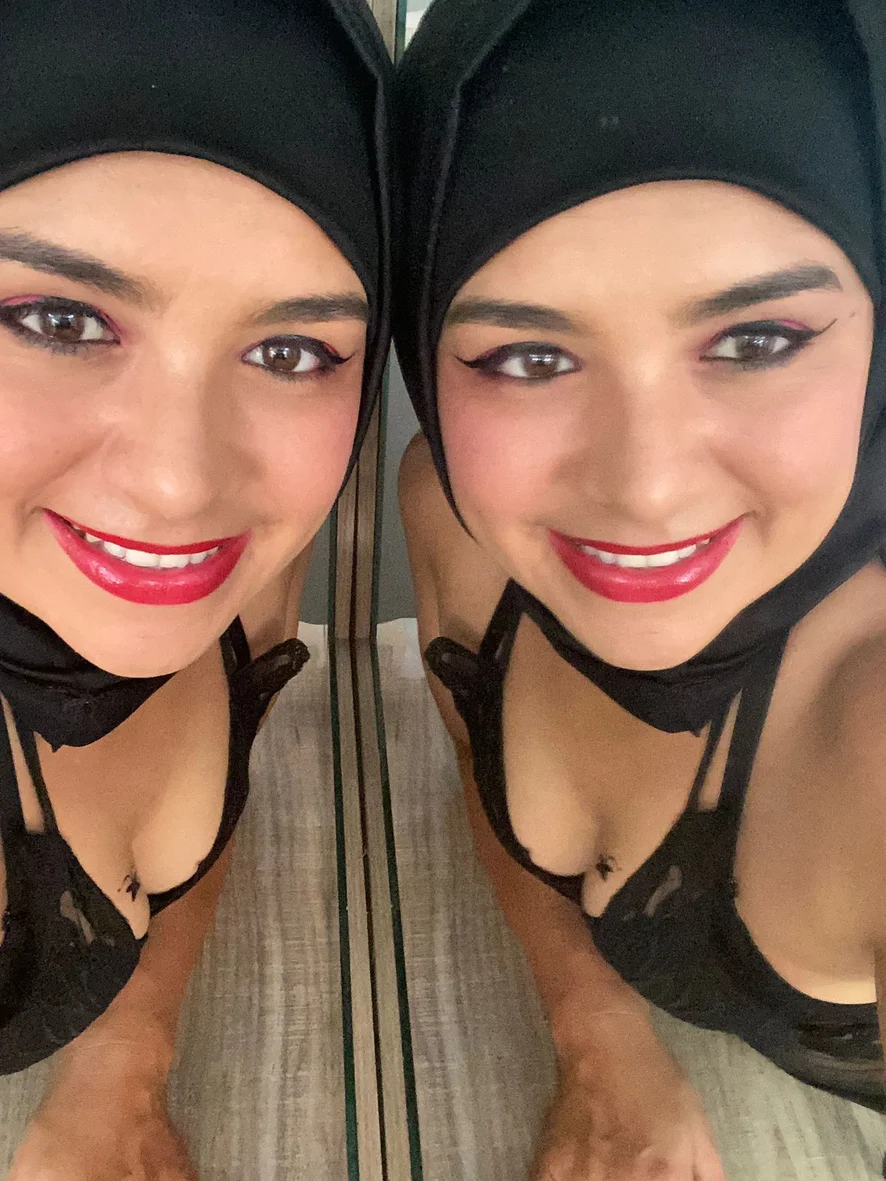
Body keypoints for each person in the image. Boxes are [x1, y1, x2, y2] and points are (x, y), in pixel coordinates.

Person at [396, 0, 886, 1177]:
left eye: (756, 340)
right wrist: (598, 1036)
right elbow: (474, 744)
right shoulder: (453, 515)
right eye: (529, 356)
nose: (647, 489)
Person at [0, 1, 391, 1178]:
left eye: (290, 352)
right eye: (59, 319)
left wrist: (124, 1061)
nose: (180, 484)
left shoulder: (231, 578)